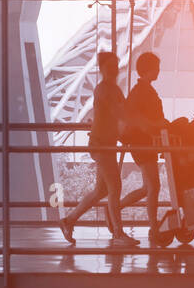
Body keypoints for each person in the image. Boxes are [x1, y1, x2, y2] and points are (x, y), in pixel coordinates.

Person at [59, 51, 139, 248]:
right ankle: (118, 233)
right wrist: (138, 124)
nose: (115, 69)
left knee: (101, 190)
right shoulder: (105, 90)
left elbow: (118, 115)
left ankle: (69, 221)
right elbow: (119, 113)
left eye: (116, 65)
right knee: (115, 188)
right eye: (111, 66)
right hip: (102, 144)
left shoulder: (110, 89)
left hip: (105, 143)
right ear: (103, 68)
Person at [118, 52, 166, 242]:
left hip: (142, 144)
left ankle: (117, 208)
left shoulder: (141, 90)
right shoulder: (143, 92)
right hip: (143, 144)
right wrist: (157, 126)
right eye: (157, 68)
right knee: (154, 186)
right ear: (149, 69)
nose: (159, 72)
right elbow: (143, 119)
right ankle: (154, 228)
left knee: (148, 187)